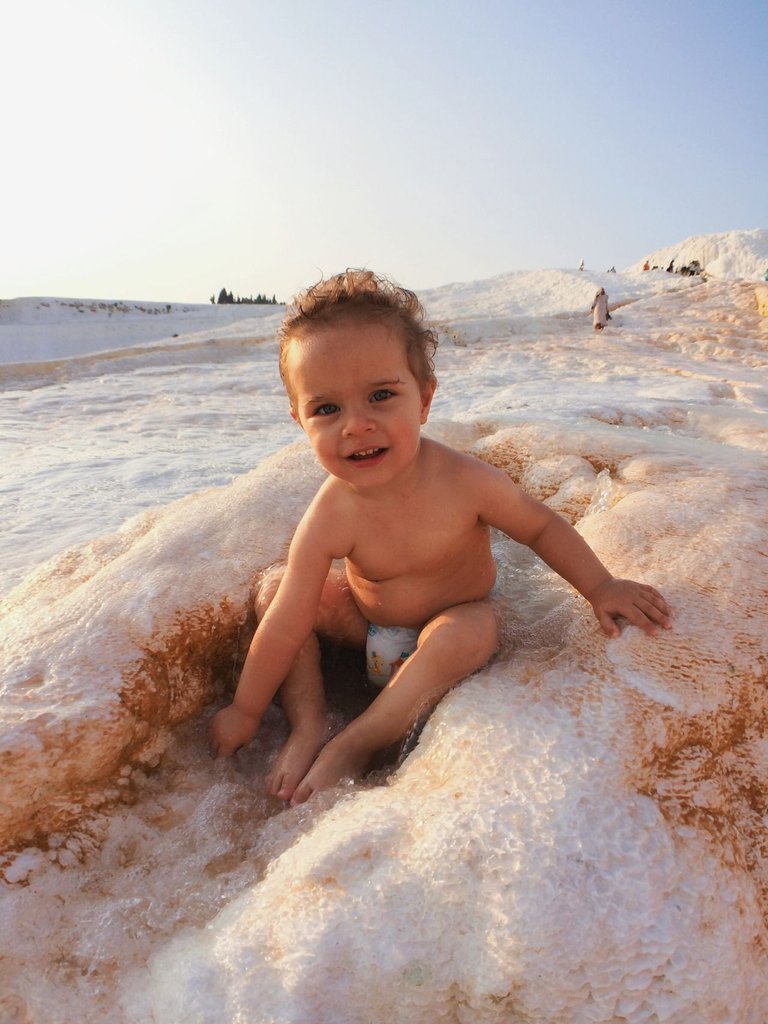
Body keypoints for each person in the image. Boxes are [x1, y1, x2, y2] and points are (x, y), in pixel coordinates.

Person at [209, 270, 672, 804]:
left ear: (424, 400)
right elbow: (289, 620)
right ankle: (308, 724)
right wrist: (244, 711)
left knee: (469, 631)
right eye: (327, 408)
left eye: (381, 395)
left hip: (450, 623)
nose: (355, 425)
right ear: (299, 420)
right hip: (371, 628)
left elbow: (540, 526)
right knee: (276, 593)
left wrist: (602, 586)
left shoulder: (463, 480)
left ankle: (361, 737)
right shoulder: (331, 513)